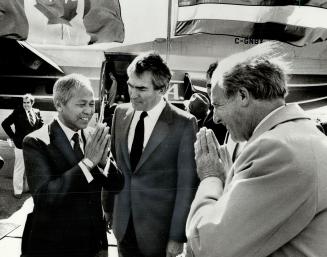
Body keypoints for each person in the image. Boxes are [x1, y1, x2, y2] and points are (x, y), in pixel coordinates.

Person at [186, 42, 327, 257]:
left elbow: (208, 246)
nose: (215, 117)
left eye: (217, 105)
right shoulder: (304, 135)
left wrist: (210, 177)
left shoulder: (277, 149)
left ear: (243, 96)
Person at [103, 52, 198, 257]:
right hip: (123, 224)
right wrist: (108, 207)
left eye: (141, 88)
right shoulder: (120, 113)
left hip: (159, 233)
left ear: (163, 89)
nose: (132, 94)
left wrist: (177, 236)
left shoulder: (183, 124)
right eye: (130, 85)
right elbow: (112, 164)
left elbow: (186, 185)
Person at [21, 74, 124, 257]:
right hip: (55, 246)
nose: (88, 110)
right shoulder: (36, 141)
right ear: (59, 105)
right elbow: (45, 199)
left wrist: (103, 163)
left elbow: (117, 185)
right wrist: (88, 163)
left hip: (94, 244)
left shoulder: (92, 136)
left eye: (91, 104)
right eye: (81, 104)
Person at [1, 94, 43, 198]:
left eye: (28, 102)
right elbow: (5, 123)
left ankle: (28, 188)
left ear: (32, 103)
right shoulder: (17, 112)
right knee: (20, 167)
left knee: (32, 167)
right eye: (24, 102)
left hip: (33, 145)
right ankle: (18, 191)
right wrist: (13, 136)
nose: (26, 105)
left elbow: (40, 125)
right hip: (20, 144)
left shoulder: (36, 111)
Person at [202, 61, 227, 144]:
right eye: (209, 86)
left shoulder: (230, 113)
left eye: (215, 85)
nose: (211, 91)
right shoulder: (212, 110)